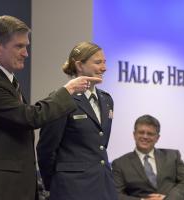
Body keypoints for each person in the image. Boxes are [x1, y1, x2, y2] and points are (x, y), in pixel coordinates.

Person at [0, 15, 101, 200]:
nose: (25, 53)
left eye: (26, 46)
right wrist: (68, 89)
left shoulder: (8, 80)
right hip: (0, 189)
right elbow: (30, 118)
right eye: (19, 46)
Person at [36, 41, 118, 200]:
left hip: (103, 186)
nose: (104, 68)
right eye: (98, 62)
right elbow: (46, 148)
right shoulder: (61, 99)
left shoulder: (107, 100)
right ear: (80, 66)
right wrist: (54, 183)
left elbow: (100, 145)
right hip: (72, 188)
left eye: (104, 62)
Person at [112, 114, 184, 200]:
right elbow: (115, 194)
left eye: (150, 134)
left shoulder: (173, 156)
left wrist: (168, 199)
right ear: (134, 134)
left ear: (157, 138)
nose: (145, 136)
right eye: (141, 132)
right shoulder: (119, 164)